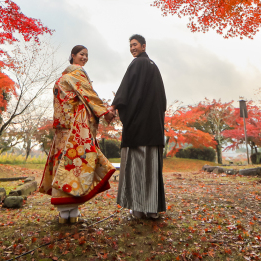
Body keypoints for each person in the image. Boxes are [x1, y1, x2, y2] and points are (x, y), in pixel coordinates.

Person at [39, 45, 117, 224]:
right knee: (75, 167)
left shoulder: (62, 78)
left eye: (87, 55)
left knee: (62, 166)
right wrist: (105, 113)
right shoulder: (77, 74)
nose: (85, 58)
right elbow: (89, 95)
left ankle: (64, 214)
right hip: (75, 128)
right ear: (73, 55)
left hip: (63, 129)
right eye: (82, 54)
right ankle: (72, 212)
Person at [110, 34, 167, 220]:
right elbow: (162, 101)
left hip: (138, 130)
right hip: (154, 129)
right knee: (152, 171)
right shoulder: (154, 67)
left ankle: (138, 210)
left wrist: (114, 106)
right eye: (131, 46)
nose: (132, 48)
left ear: (144, 46)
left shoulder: (136, 64)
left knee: (137, 170)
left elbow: (125, 91)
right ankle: (152, 210)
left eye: (135, 45)